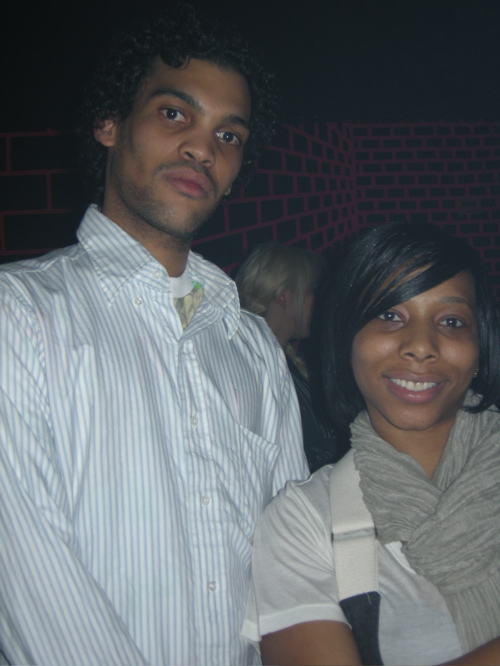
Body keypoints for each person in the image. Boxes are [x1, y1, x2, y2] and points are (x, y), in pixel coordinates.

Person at [0, 7, 308, 665]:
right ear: (109, 123)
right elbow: (27, 581)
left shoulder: (254, 348)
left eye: (230, 135)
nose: (203, 148)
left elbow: (291, 564)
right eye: (174, 114)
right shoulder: (18, 315)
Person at [242, 222, 500, 665]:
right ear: (348, 340)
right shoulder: (304, 523)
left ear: (479, 350)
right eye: (390, 315)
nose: (421, 346)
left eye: (452, 321)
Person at [236, 241, 348, 471]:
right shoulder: (251, 365)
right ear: (284, 296)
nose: (322, 302)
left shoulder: (283, 358)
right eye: (314, 290)